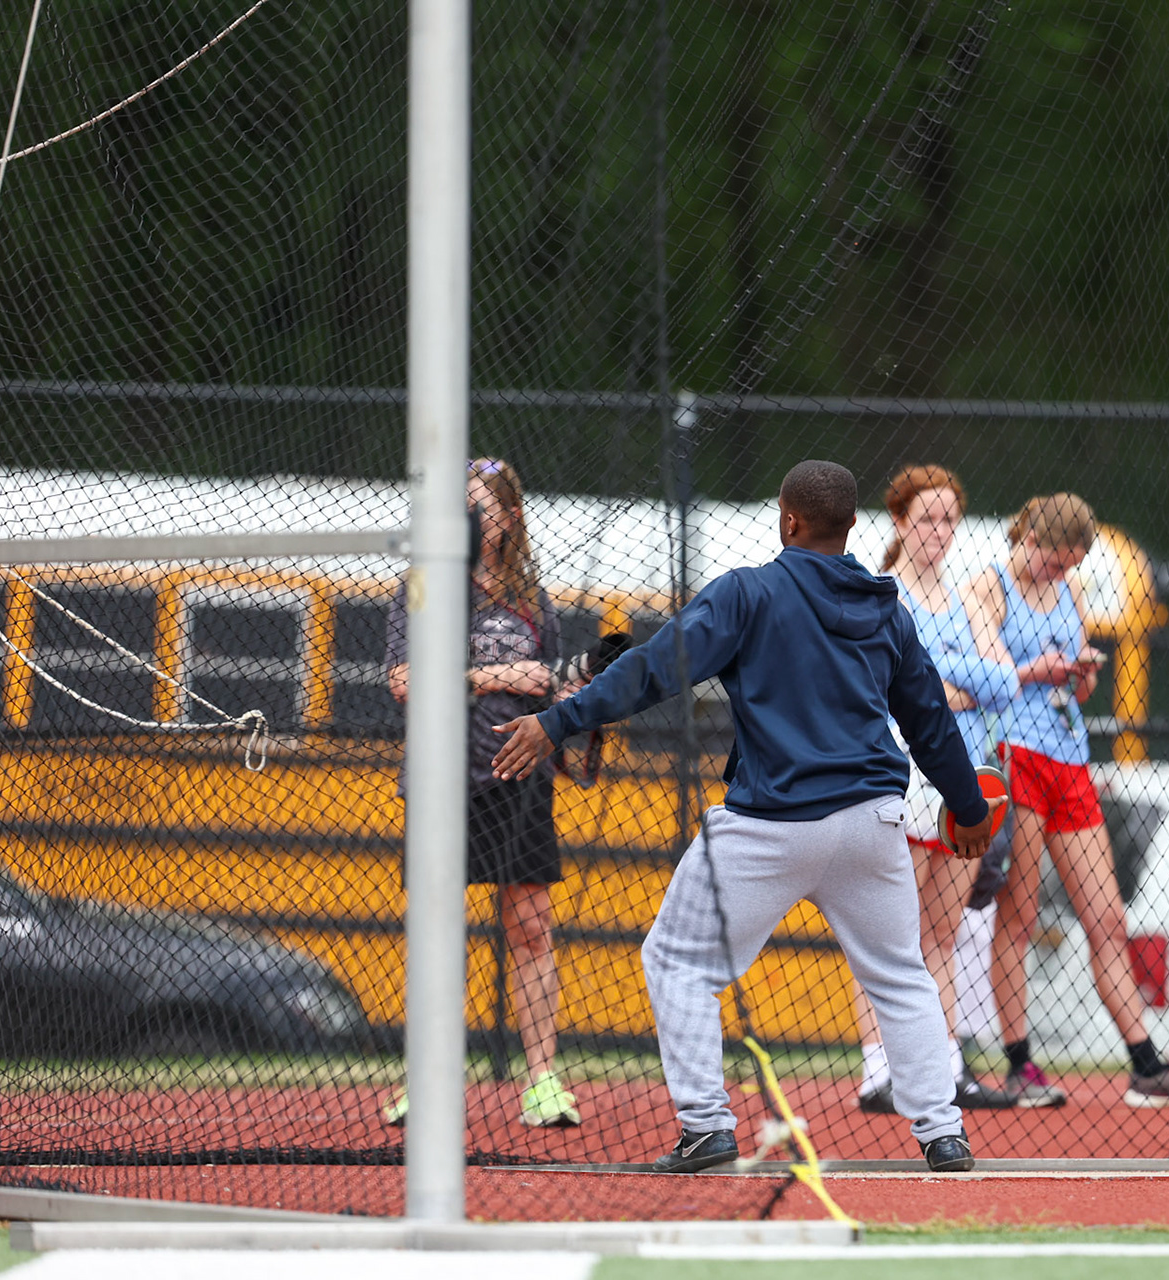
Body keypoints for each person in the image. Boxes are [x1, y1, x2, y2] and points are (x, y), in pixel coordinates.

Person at [490, 460, 995, 1174]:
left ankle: (707, 1129)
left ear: (788, 519)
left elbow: (654, 669)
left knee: (677, 961)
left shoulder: (750, 591)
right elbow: (931, 724)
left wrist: (559, 721)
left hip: (771, 825)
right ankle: (943, 1134)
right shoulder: (887, 606)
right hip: (871, 822)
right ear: (852, 527)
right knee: (900, 974)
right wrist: (970, 809)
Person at [968, 494, 1169, 1108]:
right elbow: (993, 668)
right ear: (1028, 539)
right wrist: (1043, 669)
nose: (1059, 574)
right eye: (1053, 561)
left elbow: (1078, 685)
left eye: (1069, 565)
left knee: (1107, 918)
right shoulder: (989, 584)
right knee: (1020, 916)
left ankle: (1145, 1064)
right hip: (1017, 758)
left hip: (1068, 755)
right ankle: (1019, 1065)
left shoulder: (1071, 592)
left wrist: (1081, 673)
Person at [384, 456, 581, 1129]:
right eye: (459, 504)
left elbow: (550, 683)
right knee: (438, 933)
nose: (468, 516)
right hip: (442, 780)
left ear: (509, 517)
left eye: (481, 505)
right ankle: (427, 1082)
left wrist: (556, 688)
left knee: (530, 927)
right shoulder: (424, 585)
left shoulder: (533, 601)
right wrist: (494, 675)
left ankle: (544, 1082)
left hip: (520, 780)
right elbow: (405, 682)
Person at [853, 465, 1018, 1115]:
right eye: (927, 518)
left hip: (962, 775)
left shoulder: (968, 596)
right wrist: (946, 688)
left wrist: (937, 682)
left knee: (942, 933)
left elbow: (1005, 682)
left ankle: (944, 1069)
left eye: (949, 518)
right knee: (890, 929)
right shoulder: (882, 594)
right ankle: (878, 1071)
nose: (940, 531)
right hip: (903, 770)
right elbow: (885, 681)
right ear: (899, 520)